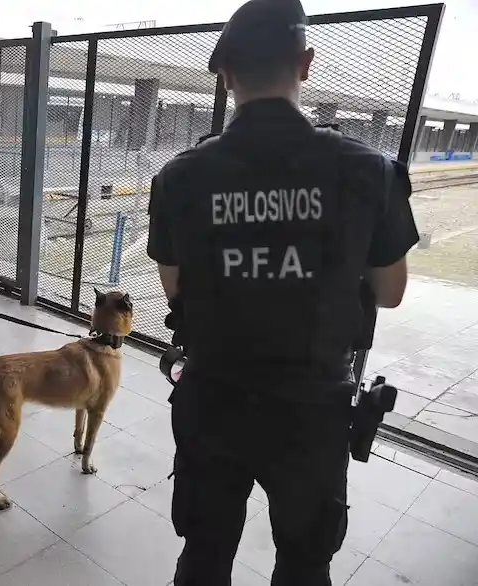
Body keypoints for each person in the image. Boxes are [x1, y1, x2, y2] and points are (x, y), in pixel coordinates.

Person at [146, 0, 419, 584]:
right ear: (306, 63)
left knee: (204, 554)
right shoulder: (368, 171)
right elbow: (391, 291)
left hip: (212, 402)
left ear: (226, 74)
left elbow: (176, 289)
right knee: (304, 563)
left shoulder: (179, 177)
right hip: (312, 413)